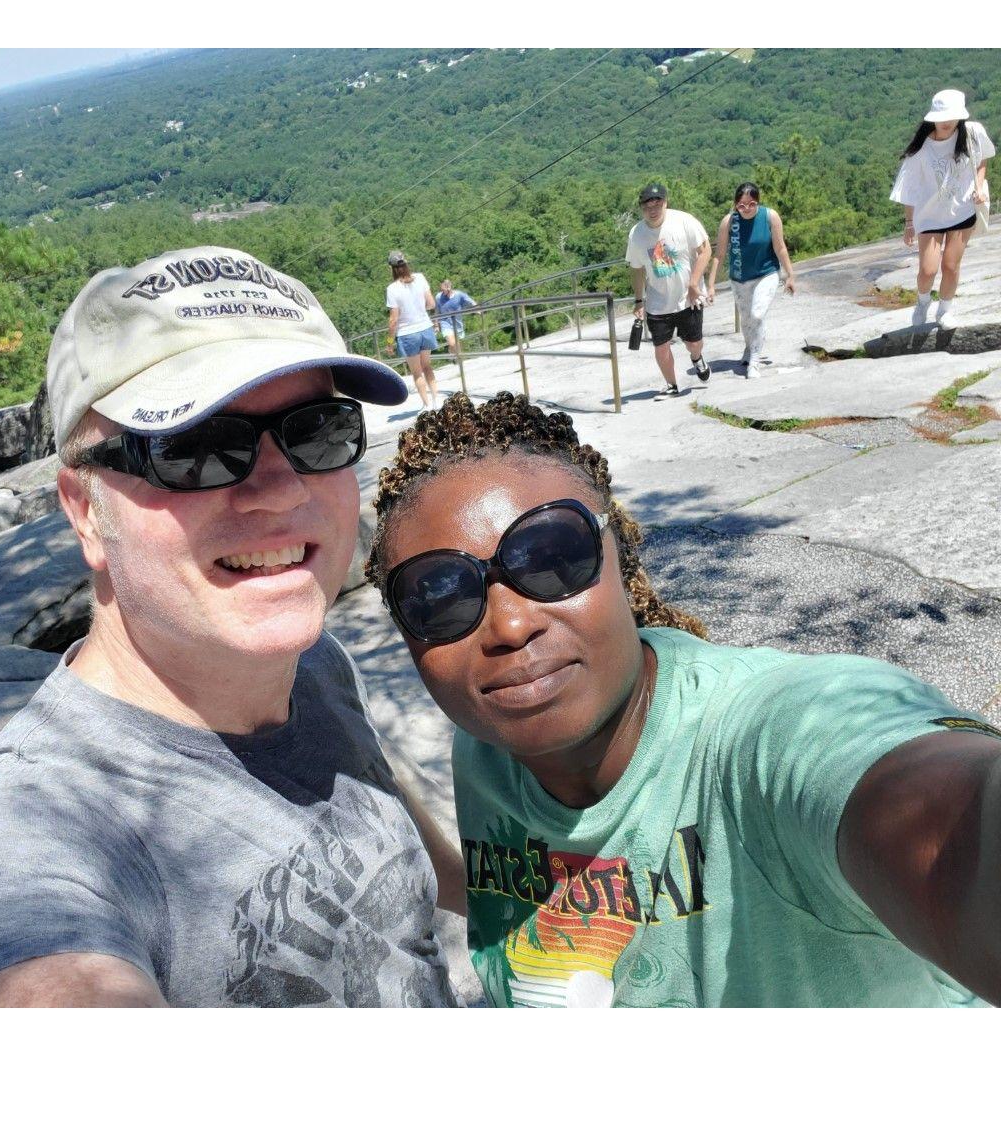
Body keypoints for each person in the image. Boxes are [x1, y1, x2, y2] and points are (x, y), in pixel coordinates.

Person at [0, 245, 466, 1008]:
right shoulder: (17, 836)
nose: (279, 488)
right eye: (193, 448)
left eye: (319, 430)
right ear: (86, 509)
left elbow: (407, 854)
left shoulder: (312, 663)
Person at [365, 390, 1001, 1008]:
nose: (508, 626)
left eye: (552, 557)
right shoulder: (486, 745)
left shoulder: (766, 737)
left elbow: (937, 817)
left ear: (623, 558)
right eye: (439, 596)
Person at [890, 89, 994, 330]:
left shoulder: (972, 133)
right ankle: (923, 302)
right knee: (927, 271)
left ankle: (944, 310)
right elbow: (910, 188)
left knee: (950, 265)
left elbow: (982, 160)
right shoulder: (920, 149)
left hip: (962, 211)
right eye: (942, 117)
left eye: (952, 116)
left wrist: (978, 187)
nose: (946, 122)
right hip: (929, 216)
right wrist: (909, 223)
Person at [625, 183, 712, 399]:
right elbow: (636, 269)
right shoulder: (637, 234)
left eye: (658, 203)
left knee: (693, 343)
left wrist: (694, 284)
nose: (653, 209)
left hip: (687, 298)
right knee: (661, 346)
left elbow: (705, 250)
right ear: (641, 208)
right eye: (647, 205)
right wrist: (639, 301)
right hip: (657, 301)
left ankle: (697, 357)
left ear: (665, 202)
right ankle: (671, 384)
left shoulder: (683, 221)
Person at [706, 183, 796, 379]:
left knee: (757, 314)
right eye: (741, 205)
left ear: (758, 202)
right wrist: (711, 285)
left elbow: (780, 247)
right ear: (735, 205)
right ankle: (749, 348)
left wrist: (790, 274)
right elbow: (719, 255)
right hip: (739, 278)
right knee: (747, 320)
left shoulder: (770, 216)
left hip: (767, 273)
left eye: (752, 204)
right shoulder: (729, 222)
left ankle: (754, 360)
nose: (747, 209)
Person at [385, 250, 440, 410]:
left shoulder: (392, 289)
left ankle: (427, 405)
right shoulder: (421, 278)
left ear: (392, 268)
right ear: (406, 264)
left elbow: (393, 320)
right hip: (425, 328)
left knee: (417, 372)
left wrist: (389, 342)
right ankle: (437, 400)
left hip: (407, 334)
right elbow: (431, 304)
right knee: (427, 366)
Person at [434, 279, 475, 354]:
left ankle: (455, 356)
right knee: (452, 343)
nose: (443, 291)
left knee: (458, 343)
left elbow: (471, 301)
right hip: (445, 322)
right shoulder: (438, 297)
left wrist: (477, 309)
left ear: (449, 287)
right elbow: (437, 311)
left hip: (457, 322)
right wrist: (436, 325)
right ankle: (459, 359)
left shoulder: (459, 294)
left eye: (444, 289)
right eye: (442, 289)